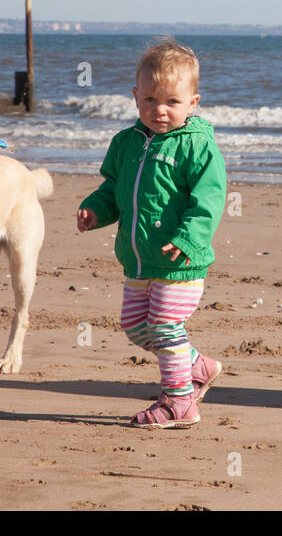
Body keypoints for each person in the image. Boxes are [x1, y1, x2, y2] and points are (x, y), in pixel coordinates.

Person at [77, 39, 228, 428]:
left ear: (193, 103)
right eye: (150, 100)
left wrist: (188, 239)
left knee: (163, 326)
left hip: (180, 260)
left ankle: (179, 401)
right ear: (135, 97)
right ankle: (196, 364)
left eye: (172, 103)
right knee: (135, 326)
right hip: (139, 258)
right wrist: (97, 209)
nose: (159, 110)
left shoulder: (197, 146)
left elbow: (208, 200)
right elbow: (113, 187)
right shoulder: (125, 143)